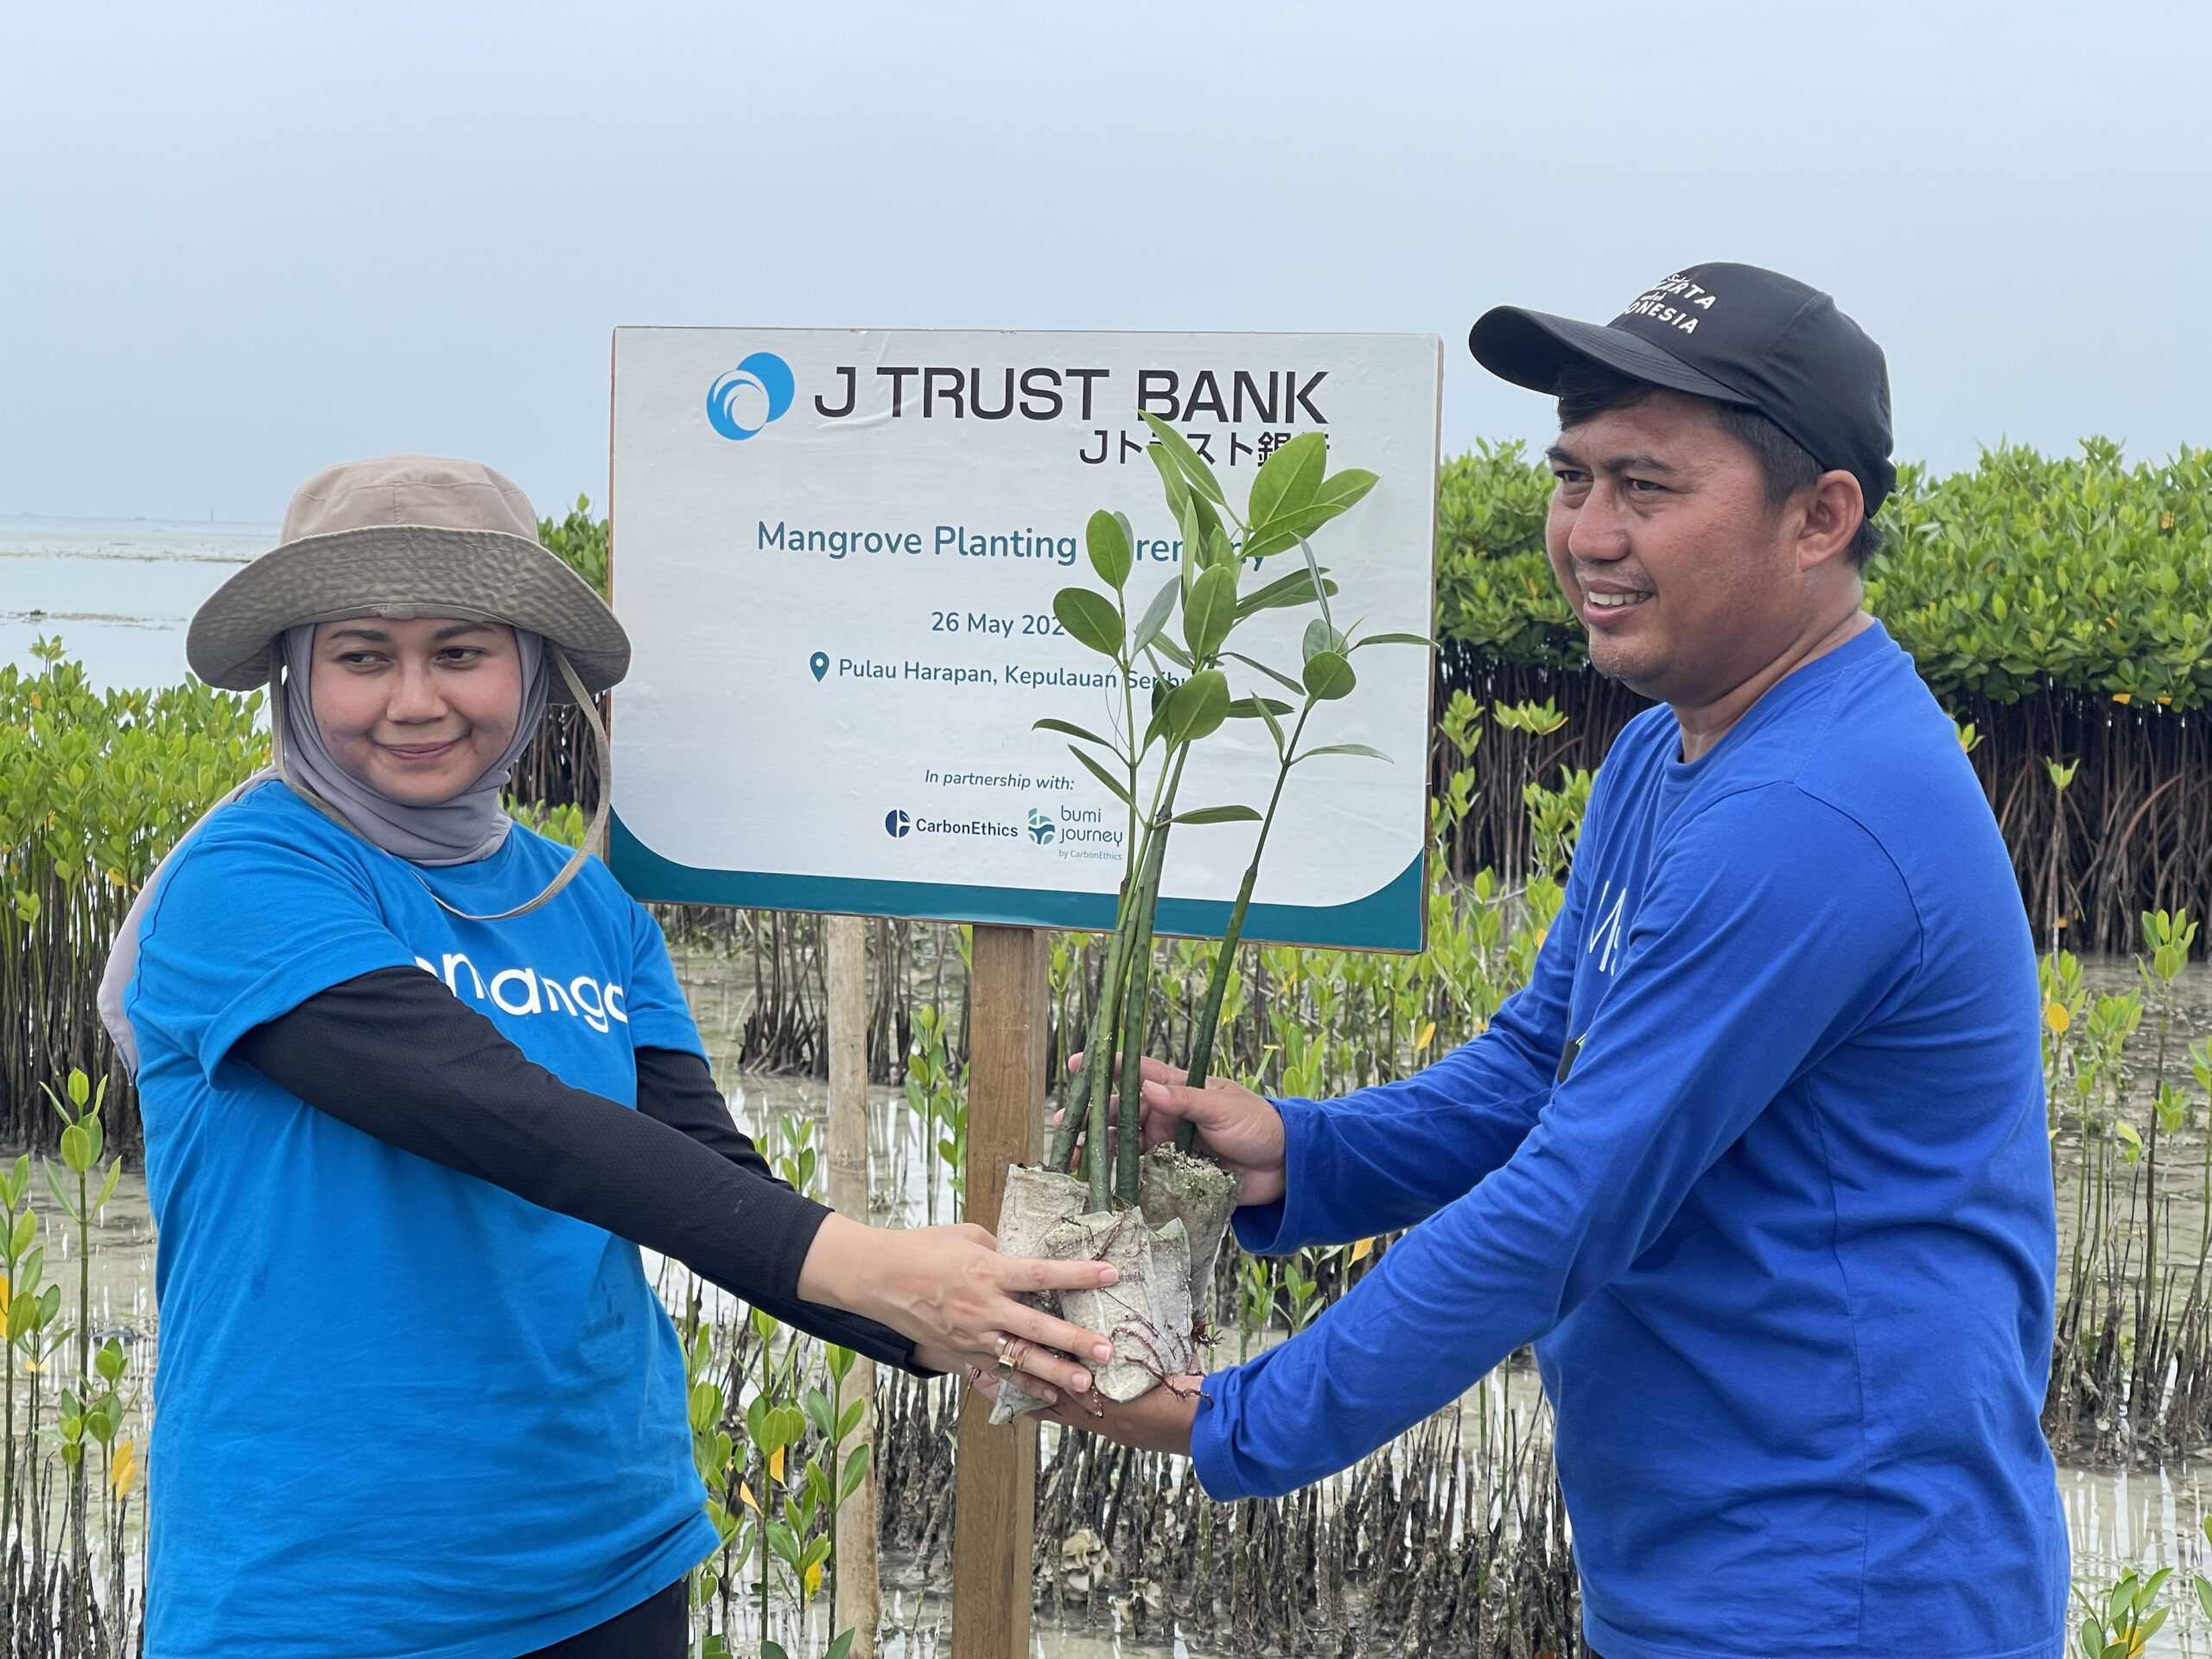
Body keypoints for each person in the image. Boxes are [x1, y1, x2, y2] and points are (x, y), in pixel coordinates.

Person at [1009, 265, 2068, 1658]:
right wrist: (1293, 1150)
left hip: (1848, 1587)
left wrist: (1230, 1419)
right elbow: (1537, 1069)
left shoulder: (1814, 812)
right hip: (1701, 1561)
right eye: (1572, 477)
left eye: (1647, 485)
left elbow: (1570, 1201)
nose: (1587, 534)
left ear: (1821, 517)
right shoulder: (1667, 753)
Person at [100, 456, 1116, 1659]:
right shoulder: (245, 880)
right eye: (363, 655)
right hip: (321, 1582)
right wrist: (879, 1266)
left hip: (609, 1556)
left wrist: (962, 1327)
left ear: (533, 670)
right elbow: (498, 1114)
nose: (416, 699)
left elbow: (697, 1166)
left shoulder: (587, 904)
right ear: (294, 673)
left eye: (463, 652)